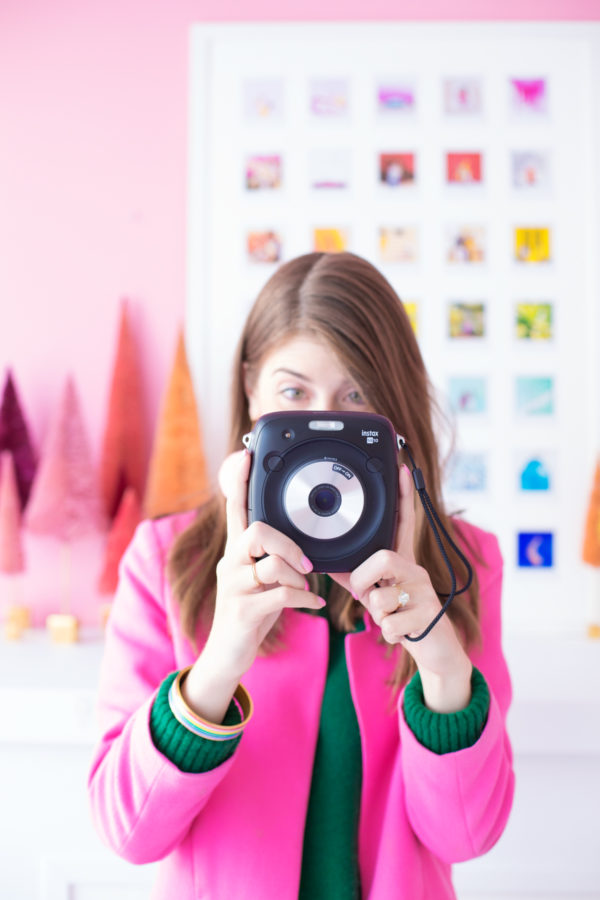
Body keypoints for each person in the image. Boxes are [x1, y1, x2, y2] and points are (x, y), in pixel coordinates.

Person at [88, 251, 514, 900]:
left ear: (394, 407)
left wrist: (441, 660)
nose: (327, 423)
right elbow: (129, 832)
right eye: (294, 393)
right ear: (251, 392)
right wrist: (220, 662)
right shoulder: (166, 559)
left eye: (358, 394)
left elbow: (466, 835)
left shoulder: (463, 565)